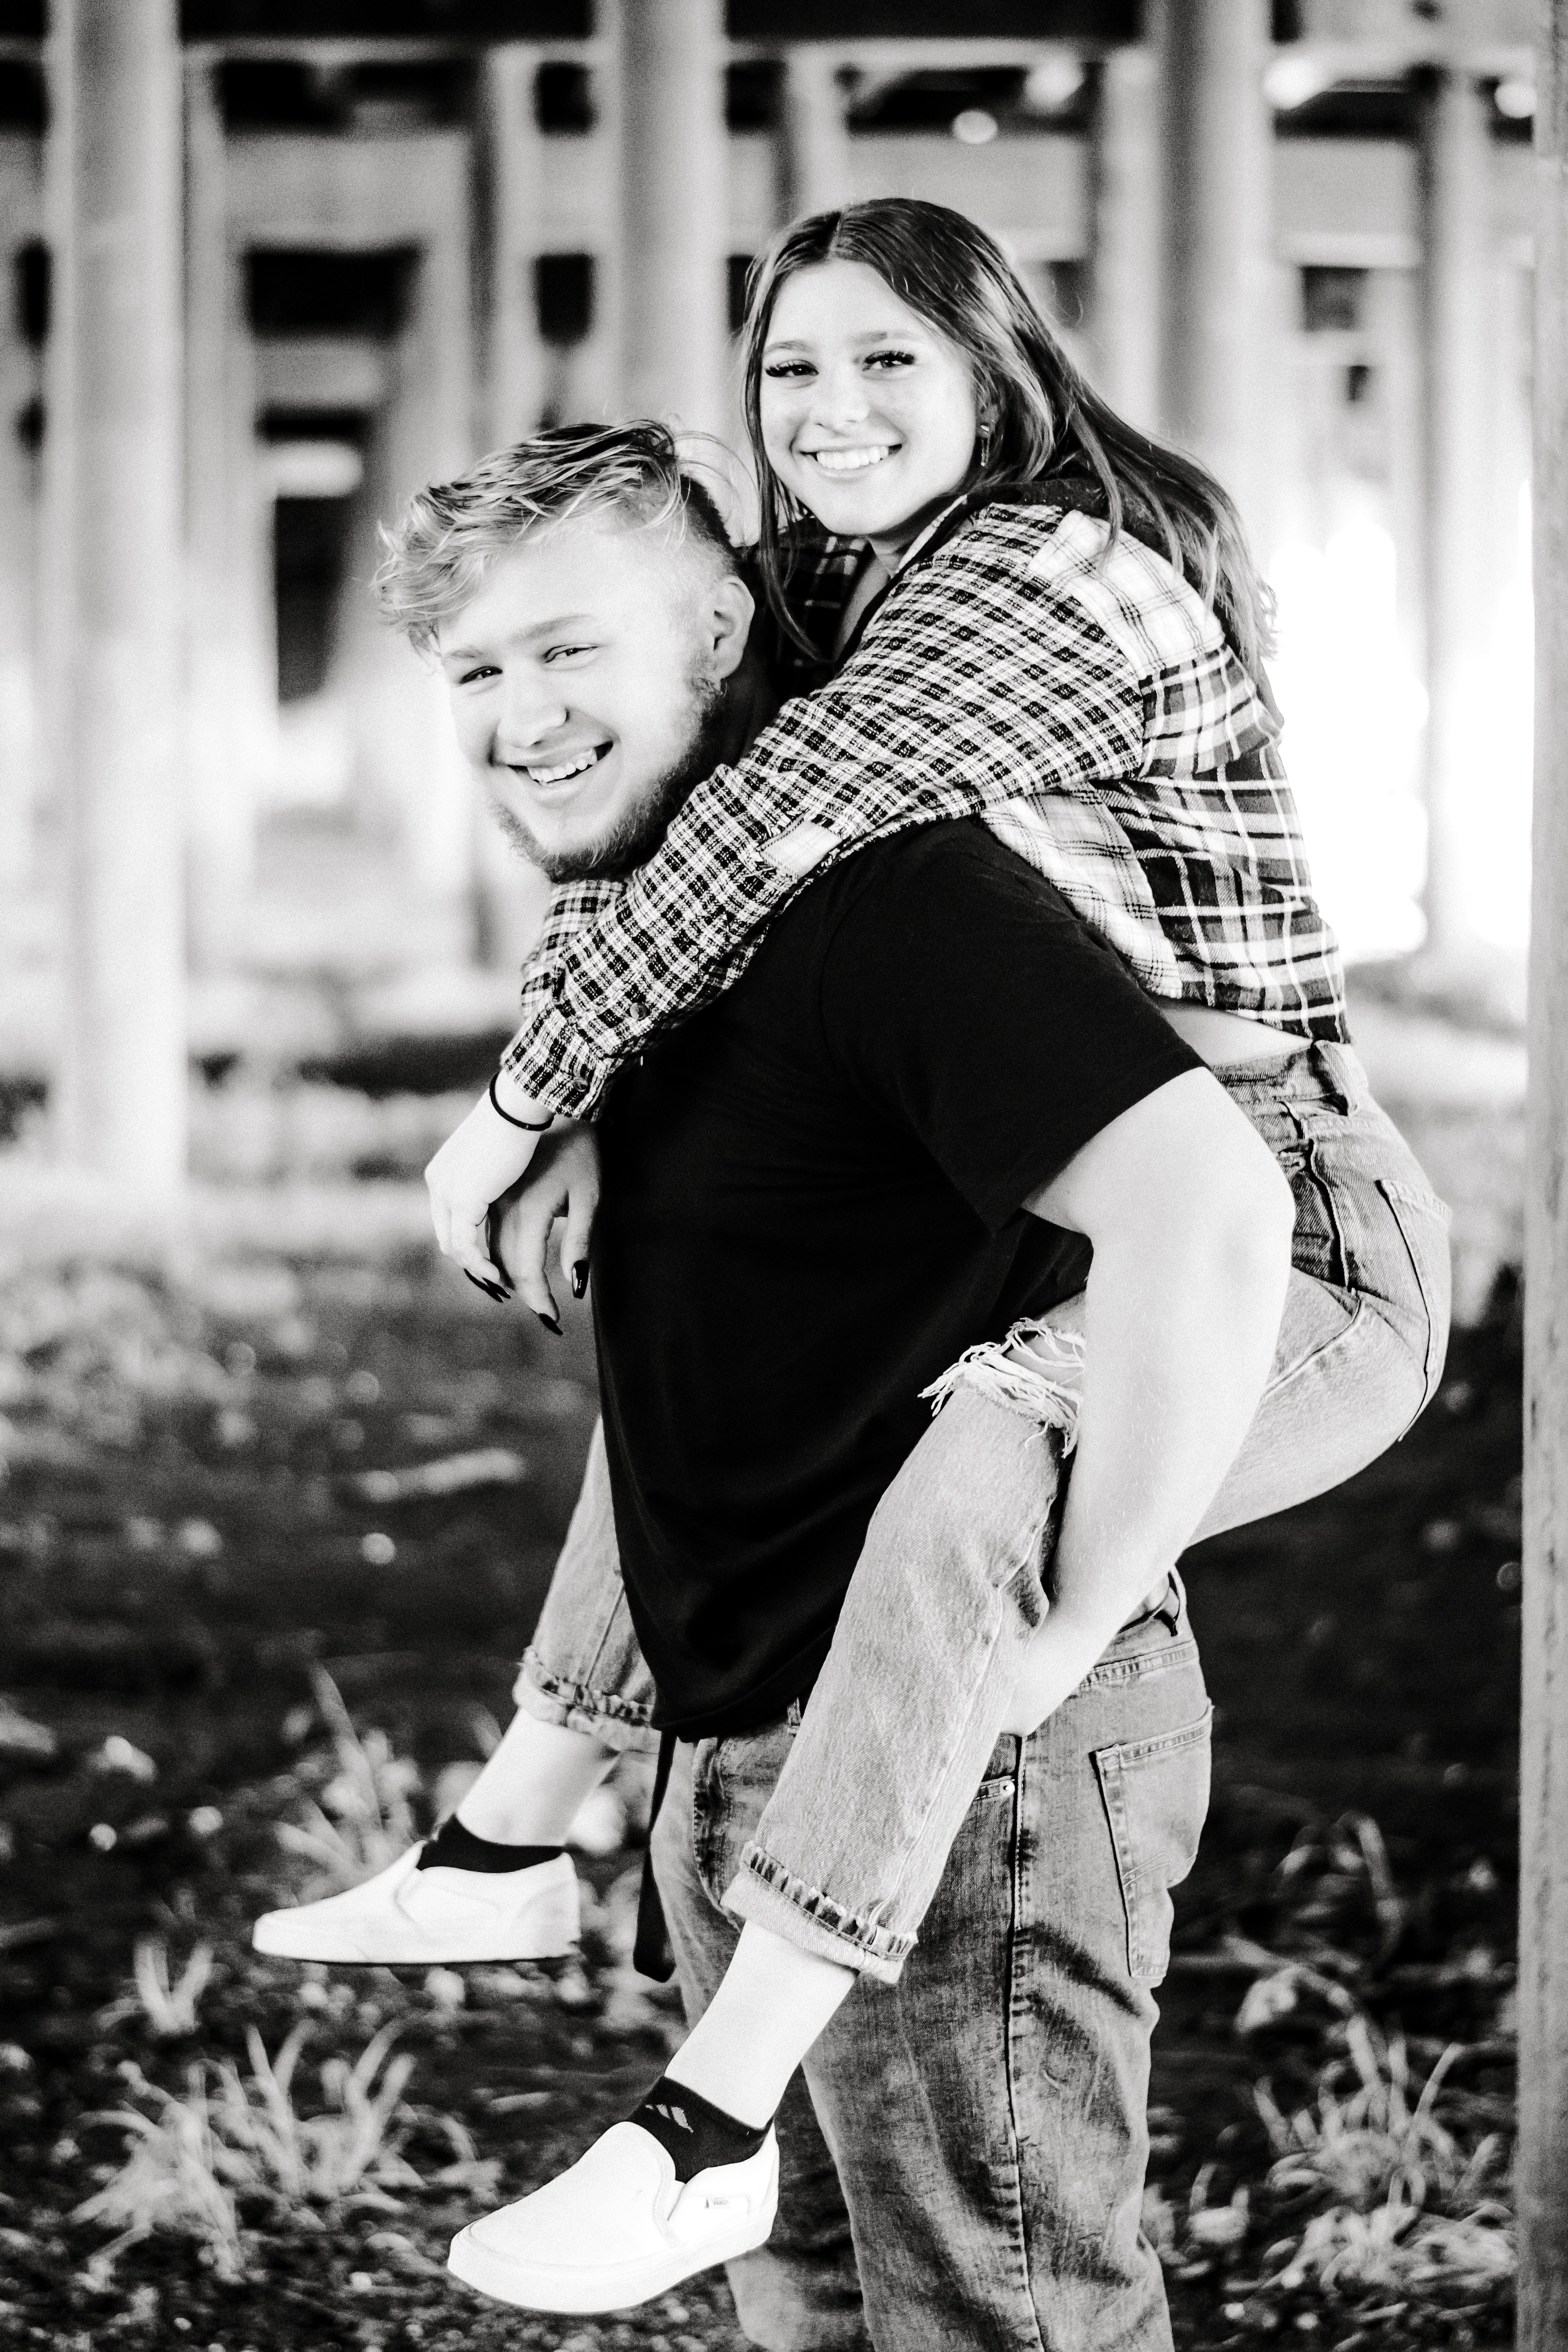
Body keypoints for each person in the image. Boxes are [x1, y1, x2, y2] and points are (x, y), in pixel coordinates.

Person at [251, 201, 1450, 2318]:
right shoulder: (849, 603)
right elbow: (673, 839)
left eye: (885, 358)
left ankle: (690, 2116)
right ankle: (530, 1809)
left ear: (1000, 364)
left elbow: (763, 811)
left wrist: (513, 1098)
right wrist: (599, 1100)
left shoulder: (1025, 571)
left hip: (1279, 1207)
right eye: (789, 369)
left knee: (989, 1462)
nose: (826, 410)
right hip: (1034, 1231)